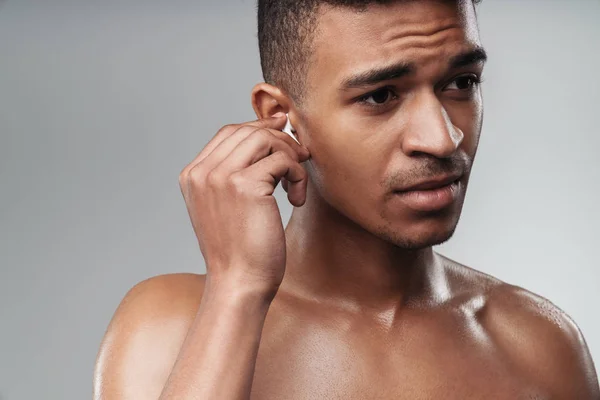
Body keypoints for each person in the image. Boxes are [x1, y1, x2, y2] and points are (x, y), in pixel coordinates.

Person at [93, 0, 600, 398]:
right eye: (381, 95)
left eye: (461, 82)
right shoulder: (170, 326)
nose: (443, 139)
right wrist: (238, 290)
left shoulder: (541, 345)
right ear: (280, 116)